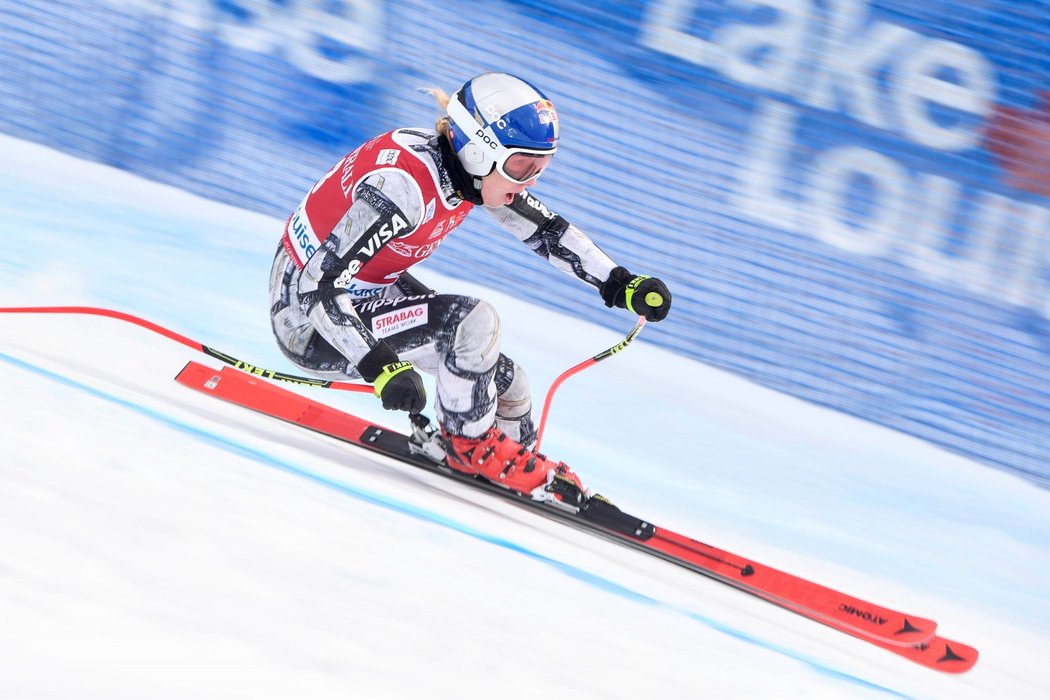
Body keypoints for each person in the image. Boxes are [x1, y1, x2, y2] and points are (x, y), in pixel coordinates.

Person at [269, 72, 671, 504]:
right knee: (471, 323)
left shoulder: (464, 170)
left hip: (363, 292)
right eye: (522, 165)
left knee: (508, 386)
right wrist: (379, 364)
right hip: (310, 321)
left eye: (542, 167)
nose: (532, 180)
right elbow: (317, 285)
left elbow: (546, 231)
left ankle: (513, 462)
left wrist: (619, 282)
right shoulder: (404, 186)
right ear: (480, 151)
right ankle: (473, 449)